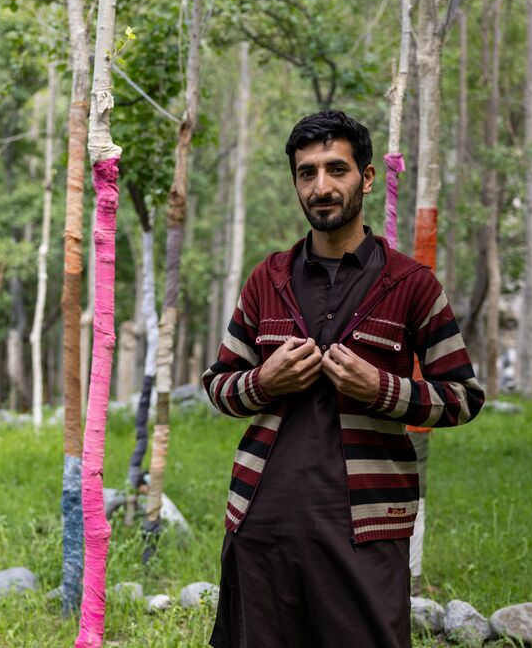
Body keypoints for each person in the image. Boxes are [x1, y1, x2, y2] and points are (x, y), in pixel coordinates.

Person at [203, 110, 485, 648]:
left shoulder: (412, 285)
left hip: (365, 527)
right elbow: (220, 384)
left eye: (337, 169)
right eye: (307, 173)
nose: (322, 186)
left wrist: (381, 390)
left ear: (368, 177)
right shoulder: (268, 279)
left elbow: (462, 398)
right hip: (262, 521)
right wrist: (264, 381)